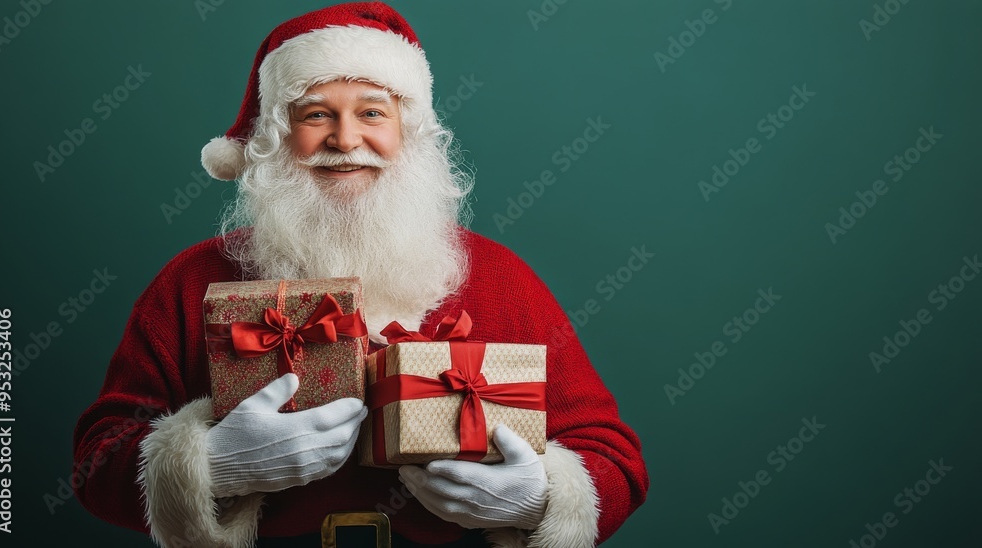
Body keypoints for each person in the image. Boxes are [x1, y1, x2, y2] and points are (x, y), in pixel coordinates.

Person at [72, 3, 648, 547]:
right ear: (277, 136)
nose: (345, 140)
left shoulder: (500, 275)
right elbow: (96, 462)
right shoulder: (194, 279)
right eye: (316, 114)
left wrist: (538, 499)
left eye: (372, 112)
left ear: (409, 131)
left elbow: (615, 459)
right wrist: (211, 466)